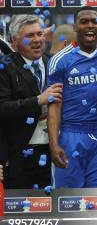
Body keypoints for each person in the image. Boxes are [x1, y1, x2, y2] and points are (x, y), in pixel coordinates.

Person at [47, 7, 97, 188]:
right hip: (70, 135)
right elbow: (54, 104)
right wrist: (54, 144)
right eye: (84, 22)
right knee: (67, 200)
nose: (90, 26)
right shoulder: (59, 60)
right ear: (75, 26)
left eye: (94, 22)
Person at [0, 15, 63, 189]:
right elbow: (2, 108)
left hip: (53, 153)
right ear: (14, 41)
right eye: (30, 36)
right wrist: (38, 100)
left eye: (39, 34)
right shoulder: (5, 67)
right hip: (18, 156)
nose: (37, 40)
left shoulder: (54, 65)